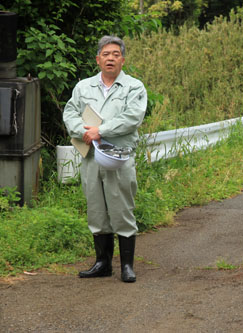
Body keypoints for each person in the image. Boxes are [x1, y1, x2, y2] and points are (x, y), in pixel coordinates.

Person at [63, 36, 148, 283]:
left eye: (115, 54)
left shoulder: (134, 87)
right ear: (98, 59)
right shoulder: (83, 87)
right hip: (90, 157)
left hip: (118, 158)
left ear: (123, 59)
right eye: (106, 54)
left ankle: (127, 266)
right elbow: (70, 112)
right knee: (96, 211)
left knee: (122, 209)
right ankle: (102, 264)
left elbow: (132, 118)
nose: (110, 58)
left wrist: (102, 130)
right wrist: (82, 130)